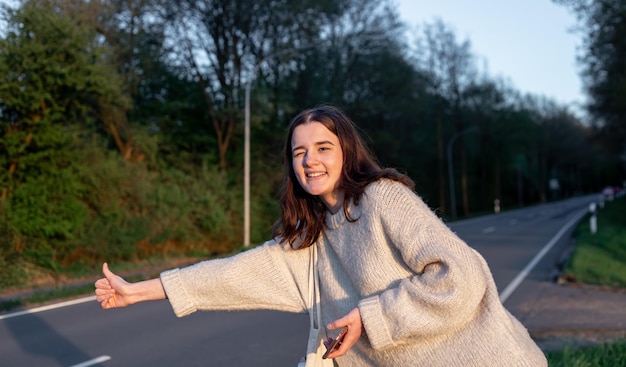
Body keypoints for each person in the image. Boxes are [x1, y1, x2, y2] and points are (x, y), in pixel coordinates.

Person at [95, 105, 547, 366]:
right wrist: (136, 292)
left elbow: (460, 277)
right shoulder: (312, 238)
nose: (310, 159)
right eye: (299, 152)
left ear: (346, 151)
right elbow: (230, 275)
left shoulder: (382, 199)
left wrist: (371, 316)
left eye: (323, 147)